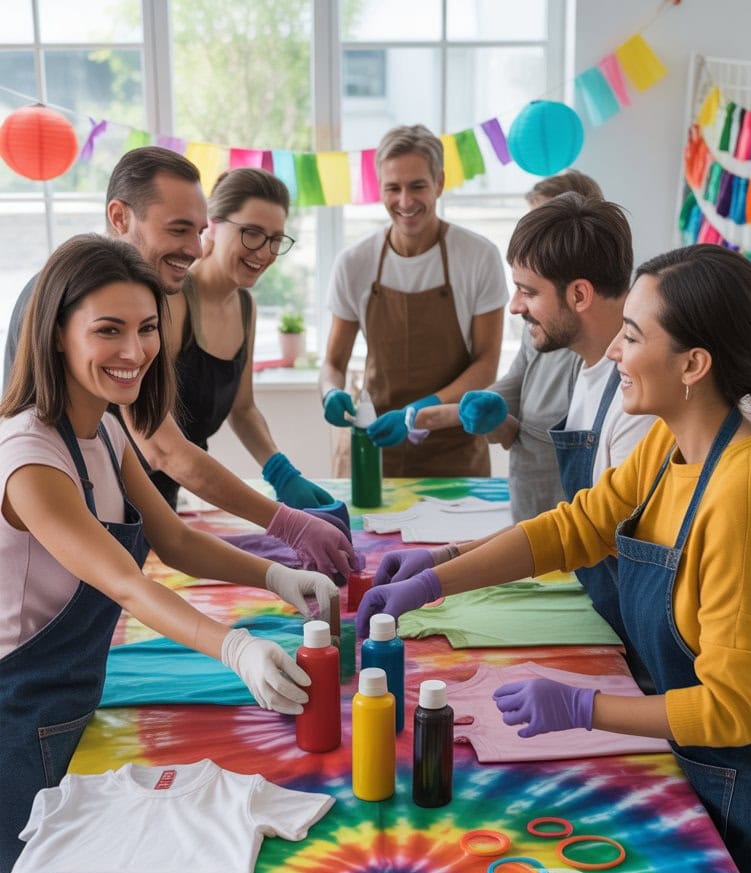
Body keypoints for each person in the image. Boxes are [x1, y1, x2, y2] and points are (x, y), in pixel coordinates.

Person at [356, 244, 751, 873]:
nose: (614, 354)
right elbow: (573, 528)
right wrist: (436, 581)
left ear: (694, 365)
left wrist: (583, 708)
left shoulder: (743, 486)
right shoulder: (671, 452)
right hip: (687, 765)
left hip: (736, 795)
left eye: (633, 337)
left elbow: (732, 711)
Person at [0, 235, 339, 873]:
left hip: (68, 702)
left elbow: (173, 539)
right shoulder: (29, 456)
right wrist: (236, 648)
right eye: (108, 330)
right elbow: (124, 579)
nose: (135, 349)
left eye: (147, 327)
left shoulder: (104, 432)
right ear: (56, 333)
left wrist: (277, 573)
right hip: (16, 716)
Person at [3, 147, 356, 583]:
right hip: (60, 548)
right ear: (119, 217)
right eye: (179, 229)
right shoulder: (81, 298)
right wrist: (286, 523)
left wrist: (280, 476)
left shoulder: (112, 429)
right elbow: (162, 448)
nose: (196, 248)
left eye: (199, 230)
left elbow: (174, 537)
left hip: (129, 522)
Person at [374, 194, 654, 652]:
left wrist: (439, 575)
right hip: (598, 608)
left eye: (528, 290)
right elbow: (569, 520)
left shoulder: (635, 402)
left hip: (633, 642)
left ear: (579, 294)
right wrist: (444, 558)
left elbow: (585, 532)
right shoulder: (589, 374)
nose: (514, 306)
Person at [128, 165, 337, 514]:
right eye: (252, 233)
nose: (264, 252)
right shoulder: (174, 301)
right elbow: (159, 445)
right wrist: (278, 518)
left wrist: (280, 471)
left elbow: (242, 408)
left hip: (173, 489)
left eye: (275, 239)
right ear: (212, 225)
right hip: (129, 488)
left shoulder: (244, 306)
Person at [414, 169, 604, 521]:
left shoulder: (599, 353)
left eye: (544, 231)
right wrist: (424, 415)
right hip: (529, 512)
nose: (516, 305)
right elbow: (509, 398)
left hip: (567, 530)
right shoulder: (541, 330)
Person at [319, 124, 508, 478]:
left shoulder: (478, 256)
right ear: (380, 190)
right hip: (373, 443)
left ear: (439, 183)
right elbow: (333, 362)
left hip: (452, 448)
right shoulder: (355, 263)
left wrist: (422, 411)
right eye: (393, 188)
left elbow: (486, 365)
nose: (405, 201)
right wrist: (330, 392)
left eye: (417, 186)